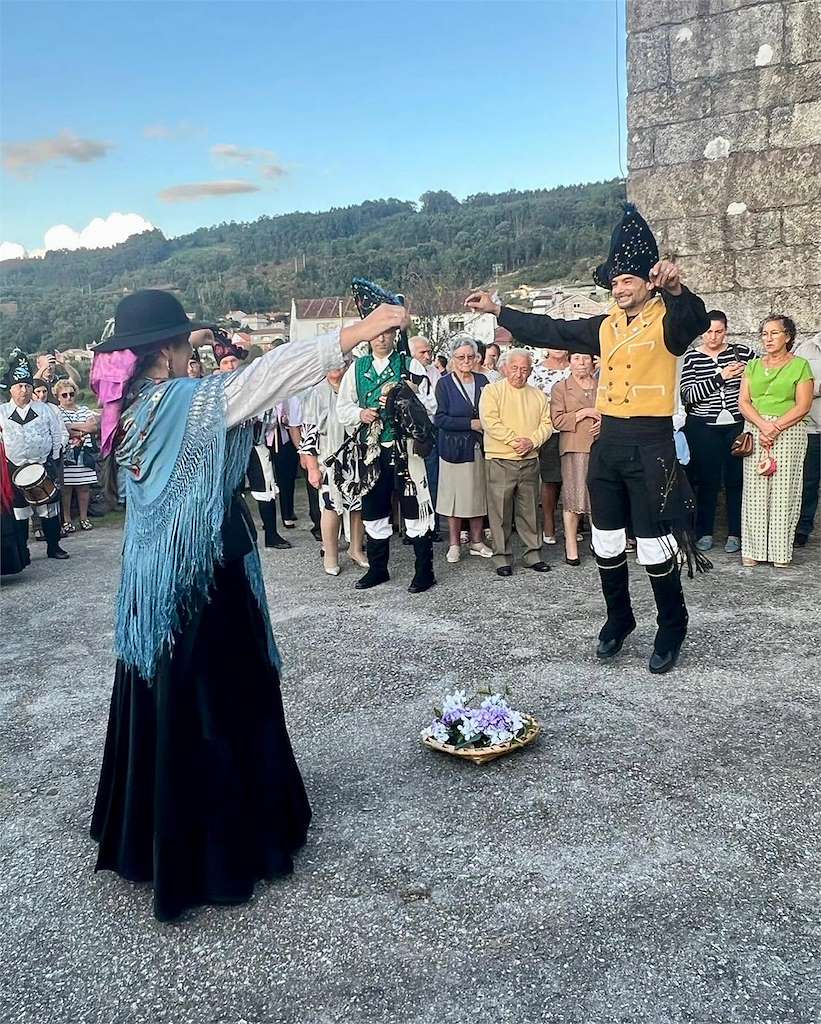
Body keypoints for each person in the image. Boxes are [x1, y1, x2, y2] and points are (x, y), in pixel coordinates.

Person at [88, 287, 407, 922]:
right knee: (220, 698)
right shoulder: (187, 401)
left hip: (153, 581)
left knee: (164, 698)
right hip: (205, 577)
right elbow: (268, 376)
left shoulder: (130, 409)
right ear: (169, 350)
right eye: (184, 344)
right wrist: (358, 330)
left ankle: (152, 830)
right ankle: (221, 846)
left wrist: (191, 346)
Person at [466, 203, 711, 673]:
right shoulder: (604, 325)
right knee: (606, 539)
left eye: (628, 280)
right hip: (610, 443)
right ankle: (619, 619)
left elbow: (692, 321)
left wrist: (678, 289)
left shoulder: (668, 318)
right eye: (615, 282)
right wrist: (499, 309)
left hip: (651, 442)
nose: (620, 288)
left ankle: (672, 623)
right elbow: (550, 328)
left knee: (656, 543)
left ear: (648, 282)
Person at [336, 281, 437, 593]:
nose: (381, 338)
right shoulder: (357, 369)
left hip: (406, 448)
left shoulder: (410, 364)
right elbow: (344, 407)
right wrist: (361, 414)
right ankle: (378, 569)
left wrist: (405, 400)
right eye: (376, 332)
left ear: (395, 334)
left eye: (387, 332)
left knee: (414, 505)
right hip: (371, 448)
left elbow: (431, 405)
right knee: (374, 507)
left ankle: (424, 571)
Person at [739, 316, 814, 568]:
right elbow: (744, 402)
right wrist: (763, 425)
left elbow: (803, 405)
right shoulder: (752, 366)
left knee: (784, 491)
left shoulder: (800, 365)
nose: (768, 339)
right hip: (756, 428)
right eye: (764, 334)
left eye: (774, 333)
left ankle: (780, 552)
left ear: (788, 336)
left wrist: (776, 426)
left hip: (788, 430)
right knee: (754, 491)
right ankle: (754, 550)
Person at [680, 310, 754, 555]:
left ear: (726, 331)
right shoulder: (691, 358)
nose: (713, 337)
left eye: (718, 332)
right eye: (708, 331)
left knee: (736, 480)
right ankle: (705, 532)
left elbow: (762, 378)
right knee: (707, 481)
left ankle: (736, 533)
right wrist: (720, 377)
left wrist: (747, 375)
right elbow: (688, 396)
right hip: (703, 427)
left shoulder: (742, 353)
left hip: (736, 425)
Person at [478, 349, 553, 577]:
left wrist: (532, 441)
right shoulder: (492, 391)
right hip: (500, 459)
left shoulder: (538, 395)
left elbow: (547, 423)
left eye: (524, 369)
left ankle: (533, 554)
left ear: (530, 371)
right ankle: (502, 557)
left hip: (530, 460)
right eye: (515, 368)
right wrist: (515, 441)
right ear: (504, 368)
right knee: (500, 511)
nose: (519, 374)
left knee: (530, 510)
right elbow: (490, 421)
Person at [0, 349, 69, 561]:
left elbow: (57, 434)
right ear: (11, 389)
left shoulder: (47, 410)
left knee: (49, 510)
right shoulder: (2, 412)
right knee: (20, 512)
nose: (24, 390)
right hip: (15, 467)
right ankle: (23, 551)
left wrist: (55, 459)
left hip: (43, 465)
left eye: (28, 385)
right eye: (20, 386)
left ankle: (53, 546)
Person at [298, 369, 369, 575]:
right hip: (329, 457)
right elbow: (308, 433)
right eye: (331, 363)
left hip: (357, 455)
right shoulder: (316, 393)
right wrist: (312, 468)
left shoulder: (355, 387)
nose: (336, 368)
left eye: (341, 362)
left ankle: (356, 549)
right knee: (331, 506)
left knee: (358, 504)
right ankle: (330, 554)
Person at [433, 336, 492, 564]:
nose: (466, 360)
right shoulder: (444, 383)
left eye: (470, 356)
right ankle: (455, 544)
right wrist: (470, 424)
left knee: (478, 494)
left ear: (476, 357)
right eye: (461, 357)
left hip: (478, 447)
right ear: (453, 359)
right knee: (454, 498)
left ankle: (477, 541)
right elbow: (440, 418)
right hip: (454, 449)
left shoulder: (483, 380)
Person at [549, 353, 600, 565]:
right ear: (569, 362)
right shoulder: (560, 387)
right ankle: (571, 545)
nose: (581, 363)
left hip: (601, 445)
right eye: (576, 358)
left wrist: (604, 418)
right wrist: (584, 412)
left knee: (599, 496)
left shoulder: (603, 385)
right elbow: (557, 420)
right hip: (574, 447)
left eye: (585, 358)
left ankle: (600, 543)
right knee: (573, 497)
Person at [529, 348, 570, 544]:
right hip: (549, 431)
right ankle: (548, 524)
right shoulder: (536, 371)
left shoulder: (576, 366)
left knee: (575, 477)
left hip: (575, 430)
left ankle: (575, 525)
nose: (558, 348)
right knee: (550, 479)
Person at [55, 379, 99, 533]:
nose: (68, 397)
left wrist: (73, 427)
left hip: (83, 455)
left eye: (71, 394)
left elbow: (93, 427)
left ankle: (84, 518)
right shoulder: (57, 411)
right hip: (67, 456)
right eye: (64, 395)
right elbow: (63, 429)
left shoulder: (85, 409)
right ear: (58, 396)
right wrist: (82, 428)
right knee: (66, 490)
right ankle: (66, 520)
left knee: (84, 489)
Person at [409, 334, 441, 540]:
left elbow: (437, 403)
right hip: (410, 433)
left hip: (431, 431)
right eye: (423, 352)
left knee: (432, 478)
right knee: (411, 481)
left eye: (429, 351)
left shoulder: (435, 373)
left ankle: (433, 525)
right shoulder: (404, 373)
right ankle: (412, 527)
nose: (428, 356)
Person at [792, 330, 821, 546]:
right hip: (813, 426)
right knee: (808, 481)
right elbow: (794, 382)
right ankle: (802, 527)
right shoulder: (805, 349)